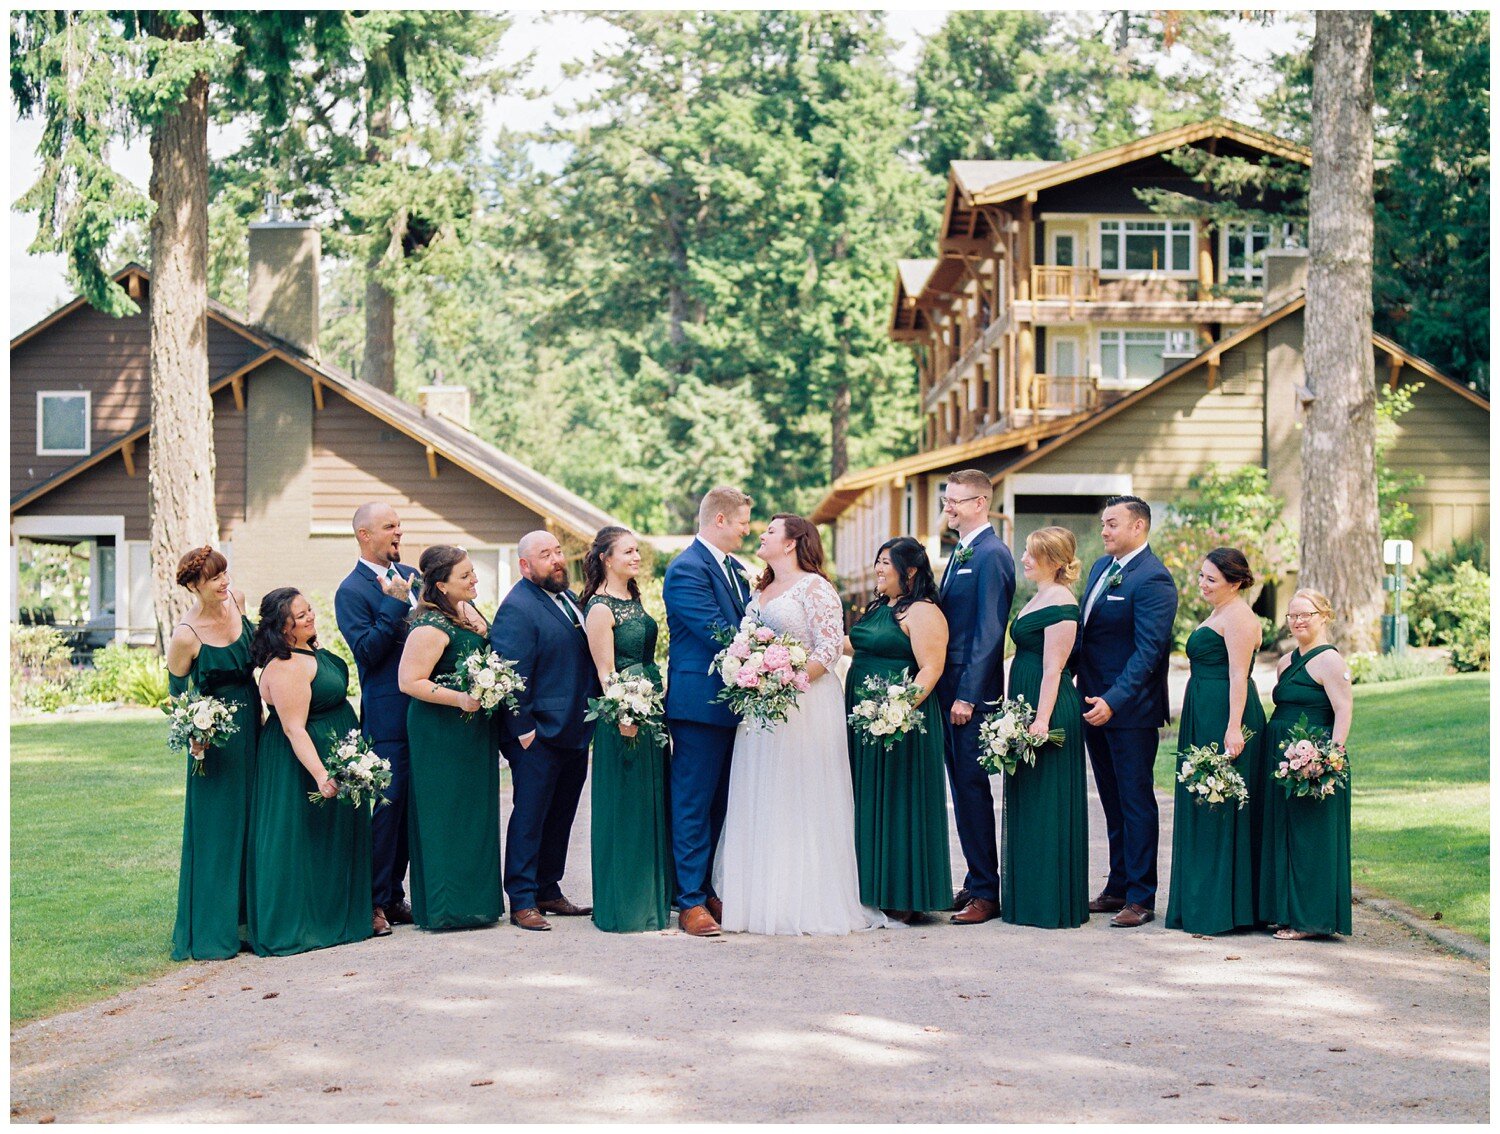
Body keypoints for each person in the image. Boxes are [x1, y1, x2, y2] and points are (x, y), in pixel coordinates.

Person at [714, 514, 889, 936]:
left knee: (802, 793)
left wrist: (783, 682)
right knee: (763, 793)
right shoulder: (760, 591)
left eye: (771, 530)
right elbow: (746, 642)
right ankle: (760, 901)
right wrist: (747, 673)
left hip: (806, 706)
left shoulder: (816, 588)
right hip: (761, 710)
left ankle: (807, 900)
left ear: (792, 543)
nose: (762, 534)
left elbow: (829, 649)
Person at [246, 588, 372, 956]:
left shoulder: (308, 651)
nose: (310, 618)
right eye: (300, 616)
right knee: (300, 840)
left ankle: (337, 918)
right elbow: (293, 729)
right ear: (282, 627)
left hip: (331, 751)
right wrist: (320, 774)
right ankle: (300, 925)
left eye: (309, 610)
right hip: (300, 763)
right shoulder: (286, 666)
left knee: (331, 839)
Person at [1074, 495, 1178, 928]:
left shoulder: (1153, 580)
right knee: (1112, 803)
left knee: (1135, 803)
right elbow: (1086, 636)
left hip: (1129, 711)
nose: (1104, 531)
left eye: (1112, 524)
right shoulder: (1101, 569)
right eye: (1103, 523)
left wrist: (1114, 701)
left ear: (1138, 527)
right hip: (1091, 702)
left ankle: (1141, 896)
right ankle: (1117, 885)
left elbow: (1148, 653)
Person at [491, 530, 598, 931]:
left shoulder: (569, 599)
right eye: (544, 554)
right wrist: (522, 729)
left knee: (562, 814)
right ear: (525, 565)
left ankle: (548, 889)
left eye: (557, 552)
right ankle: (521, 898)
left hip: (573, 728)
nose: (556, 560)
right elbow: (509, 672)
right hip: (535, 734)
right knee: (531, 815)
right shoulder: (517, 606)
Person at [843, 537, 950, 924]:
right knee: (868, 797)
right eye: (877, 562)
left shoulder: (922, 611)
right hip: (862, 717)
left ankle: (904, 892)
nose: (878, 569)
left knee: (899, 800)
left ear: (911, 571)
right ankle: (871, 886)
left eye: (886, 563)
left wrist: (895, 711)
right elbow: (855, 645)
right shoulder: (879, 607)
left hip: (901, 723)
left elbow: (931, 669)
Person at [662, 486, 754, 938]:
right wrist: (773, 652)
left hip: (731, 704)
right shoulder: (686, 570)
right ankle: (690, 901)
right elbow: (717, 630)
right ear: (719, 520)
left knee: (721, 802)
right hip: (699, 704)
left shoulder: (735, 569)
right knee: (693, 802)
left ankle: (706, 885)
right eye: (741, 522)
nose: (747, 530)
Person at [397, 545, 502, 931]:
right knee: (444, 813)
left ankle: (477, 902)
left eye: (474, 572)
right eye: (466, 575)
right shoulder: (429, 627)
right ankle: (445, 906)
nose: (475, 579)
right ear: (440, 584)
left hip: (473, 730)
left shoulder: (468, 613)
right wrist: (461, 698)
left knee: (474, 812)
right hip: (439, 732)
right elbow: (408, 682)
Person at [1164, 548, 1267, 935]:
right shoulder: (1219, 612)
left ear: (1235, 582)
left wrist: (1234, 727)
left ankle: (1223, 906)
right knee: (1202, 801)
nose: (1203, 584)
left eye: (1211, 579)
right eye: (1202, 576)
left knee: (1220, 804)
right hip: (1202, 710)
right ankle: (1200, 898)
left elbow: (1239, 676)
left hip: (1225, 714)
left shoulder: (1239, 617)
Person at [165, 546, 259, 961]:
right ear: (192, 585)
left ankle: (250, 921)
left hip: (255, 727)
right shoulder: (186, 635)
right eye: (214, 578)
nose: (224, 582)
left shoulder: (237, 603)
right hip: (214, 742)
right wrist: (196, 733)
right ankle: (213, 925)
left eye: (225, 574)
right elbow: (175, 698)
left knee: (255, 820)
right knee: (218, 830)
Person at [582, 526, 674, 933]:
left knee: (651, 802)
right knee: (626, 807)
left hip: (650, 708)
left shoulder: (633, 599)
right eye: (628, 551)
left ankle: (652, 898)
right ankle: (625, 906)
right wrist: (626, 714)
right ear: (606, 557)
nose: (636, 557)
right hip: (624, 715)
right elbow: (605, 673)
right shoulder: (600, 608)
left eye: (638, 551)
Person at [935, 469, 1016, 926]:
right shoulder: (962, 551)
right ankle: (975, 878)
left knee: (971, 788)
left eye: (957, 501)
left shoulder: (992, 554)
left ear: (981, 503)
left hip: (971, 696)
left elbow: (989, 633)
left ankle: (987, 891)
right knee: (962, 792)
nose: (949, 506)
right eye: (948, 499)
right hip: (949, 691)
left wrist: (967, 695)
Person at [334, 502, 419, 937]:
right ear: (364, 535)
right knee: (387, 808)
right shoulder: (351, 591)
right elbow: (367, 651)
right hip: (387, 714)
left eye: (400, 526)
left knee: (412, 810)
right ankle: (370, 902)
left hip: (426, 711)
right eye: (389, 527)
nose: (398, 533)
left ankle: (394, 894)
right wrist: (393, 606)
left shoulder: (414, 577)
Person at [1001, 527, 1090, 929]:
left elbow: (1054, 668)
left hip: (1048, 711)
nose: (1024, 559)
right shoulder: (1037, 596)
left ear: (1055, 561)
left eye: (1032, 554)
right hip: (1025, 705)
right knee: (1027, 801)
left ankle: (1050, 902)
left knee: (1048, 804)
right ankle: (1025, 897)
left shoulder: (1063, 603)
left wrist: (1040, 718)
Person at [1259, 589, 1354, 940]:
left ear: (1323, 616)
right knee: (1283, 832)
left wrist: (1330, 758)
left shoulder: (1330, 661)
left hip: (1314, 759)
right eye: (1292, 615)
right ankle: (1282, 911)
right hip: (1281, 757)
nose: (1298, 621)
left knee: (1310, 838)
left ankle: (1308, 919)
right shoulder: (1285, 662)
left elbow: (1343, 709)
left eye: (1306, 614)